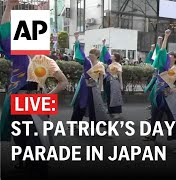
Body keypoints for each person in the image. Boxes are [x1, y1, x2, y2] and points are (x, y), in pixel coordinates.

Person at [0, 0, 68, 177]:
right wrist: (8, 7)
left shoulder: (47, 61)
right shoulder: (18, 54)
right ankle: (23, 162)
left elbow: (63, 82)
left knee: (36, 140)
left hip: (34, 102)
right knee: (20, 137)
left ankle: (37, 169)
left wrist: (46, 99)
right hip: (16, 100)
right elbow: (4, 33)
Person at [144, 29, 176, 153]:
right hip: (157, 93)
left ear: (175, 59)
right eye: (167, 55)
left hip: (168, 95)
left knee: (172, 119)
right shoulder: (162, 66)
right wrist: (165, 37)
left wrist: (175, 89)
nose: (167, 56)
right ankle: (152, 135)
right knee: (155, 116)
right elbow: (162, 50)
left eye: (170, 55)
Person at [70, 32, 109, 125]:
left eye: (92, 54)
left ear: (97, 56)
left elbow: (100, 78)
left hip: (94, 88)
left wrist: (100, 90)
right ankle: (74, 124)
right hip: (84, 85)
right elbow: (80, 54)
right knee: (80, 104)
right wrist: (76, 39)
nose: (90, 55)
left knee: (96, 107)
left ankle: (99, 126)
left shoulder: (100, 65)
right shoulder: (87, 62)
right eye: (90, 53)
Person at [102, 51, 124, 120]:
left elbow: (120, 76)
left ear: (115, 57)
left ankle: (117, 113)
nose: (111, 56)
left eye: (112, 55)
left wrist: (121, 85)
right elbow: (106, 74)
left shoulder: (118, 65)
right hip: (108, 81)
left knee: (115, 97)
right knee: (109, 96)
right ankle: (110, 110)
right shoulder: (110, 64)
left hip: (114, 81)